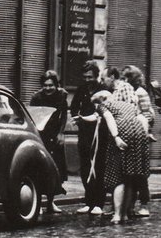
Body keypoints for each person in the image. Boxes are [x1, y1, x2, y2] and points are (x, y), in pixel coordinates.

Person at [92, 87, 150, 225]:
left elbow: (108, 117)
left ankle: (117, 215)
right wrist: (145, 135)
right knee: (130, 176)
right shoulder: (128, 105)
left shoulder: (104, 105)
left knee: (118, 177)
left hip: (122, 131)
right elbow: (142, 118)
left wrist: (116, 136)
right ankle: (125, 214)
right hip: (138, 132)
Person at [69, 61, 107, 215]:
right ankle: (88, 201)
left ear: (96, 76)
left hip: (100, 133)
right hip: (84, 132)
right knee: (85, 167)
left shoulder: (103, 90)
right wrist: (76, 118)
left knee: (98, 167)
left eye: (90, 77)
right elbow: (73, 106)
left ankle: (99, 203)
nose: (87, 80)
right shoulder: (82, 89)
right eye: (85, 77)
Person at [29, 70, 68, 213]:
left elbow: (63, 115)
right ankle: (37, 203)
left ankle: (50, 203)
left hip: (55, 134)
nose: (48, 88)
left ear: (56, 85)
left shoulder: (61, 95)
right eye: (45, 85)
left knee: (55, 169)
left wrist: (61, 133)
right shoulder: (36, 97)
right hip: (41, 135)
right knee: (39, 169)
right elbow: (32, 116)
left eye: (51, 85)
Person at [122, 65, 155, 217]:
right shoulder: (125, 91)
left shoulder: (141, 92)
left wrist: (139, 127)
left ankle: (144, 203)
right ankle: (129, 204)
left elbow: (148, 114)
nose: (123, 80)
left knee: (140, 173)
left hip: (139, 135)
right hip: (129, 135)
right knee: (130, 172)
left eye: (126, 77)